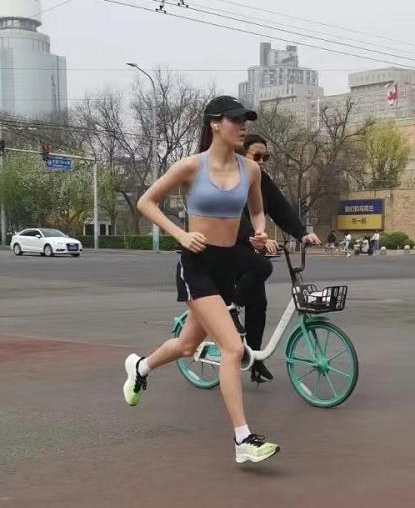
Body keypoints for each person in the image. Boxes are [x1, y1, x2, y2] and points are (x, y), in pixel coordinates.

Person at [122, 95, 279, 464]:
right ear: (215, 124)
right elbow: (146, 202)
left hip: (226, 267)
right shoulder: (191, 166)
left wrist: (259, 233)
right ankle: (243, 439)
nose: (243, 127)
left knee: (187, 345)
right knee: (232, 348)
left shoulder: (250, 170)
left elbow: (258, 211)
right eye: (236, 120)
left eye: (245, 120)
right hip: (196, 265)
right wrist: (180, 234)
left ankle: (140, 367)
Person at [235, 134, 320, 384]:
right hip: (228, 247)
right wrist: (255, 236)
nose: (262, 162)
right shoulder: (232, 178)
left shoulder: (263, 181)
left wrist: (302, 234)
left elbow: (282, 210)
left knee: (258, 305)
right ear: (243, 155)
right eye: (257, 156)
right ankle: (231, 308)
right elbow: (233, 216)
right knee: (261, 269)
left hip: (252, 247)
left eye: (266, 157)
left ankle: (254, 360)